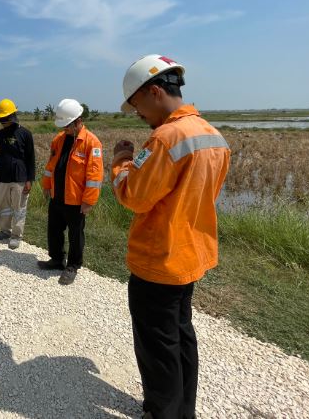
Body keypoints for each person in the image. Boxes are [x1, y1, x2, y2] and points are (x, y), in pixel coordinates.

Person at [110, 54, 230, 419]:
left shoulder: (164, 139)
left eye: (137, 106)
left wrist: (122, 163)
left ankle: (161, 413)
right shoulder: (213, 135)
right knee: (180, 337)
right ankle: (183, 411)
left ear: (155, 92)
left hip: (158, 261)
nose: (139, 115)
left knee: (157, 347)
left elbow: (135, 196)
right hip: (190, 256)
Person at [38, 98, 103, 285]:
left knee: (76, 235)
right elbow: (51, 166)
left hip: (76, 200)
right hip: (57, 196)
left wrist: (89, 201)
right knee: (54, 230)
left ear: (78, 121)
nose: (64, 129)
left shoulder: (92, 143)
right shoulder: (58, 140)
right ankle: (57, 259)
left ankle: (73, 265)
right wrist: (47, 185)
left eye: (67, 125)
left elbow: (95, 175)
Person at [0, 98, 35, 249]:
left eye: (5, 119)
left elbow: (30, 158)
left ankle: (16, 235)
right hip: (3, 176)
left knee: (19, 207)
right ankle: (4, 230)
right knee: (3, 205)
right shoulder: (1, 134)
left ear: (12, 117)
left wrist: (30, 179)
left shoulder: (25, 134)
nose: (3, 122)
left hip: (20, 178)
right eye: (1, 120)